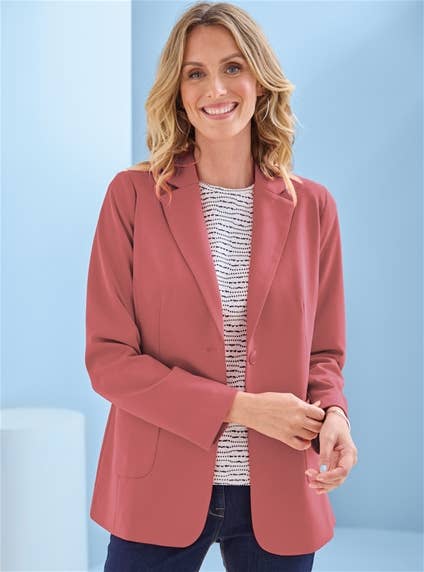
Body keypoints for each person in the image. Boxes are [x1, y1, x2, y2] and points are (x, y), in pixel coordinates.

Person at [84, 2, 358, 570]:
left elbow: (324, 355)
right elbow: (109, 361)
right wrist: (243, 409)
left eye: (233, 67)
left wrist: (334, 415)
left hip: (282, 484)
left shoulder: (313, 207)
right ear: (179, 92)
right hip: (156, 484)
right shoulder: (131, 197)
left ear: (260, 79)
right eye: (196, 73)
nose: (216, 89)